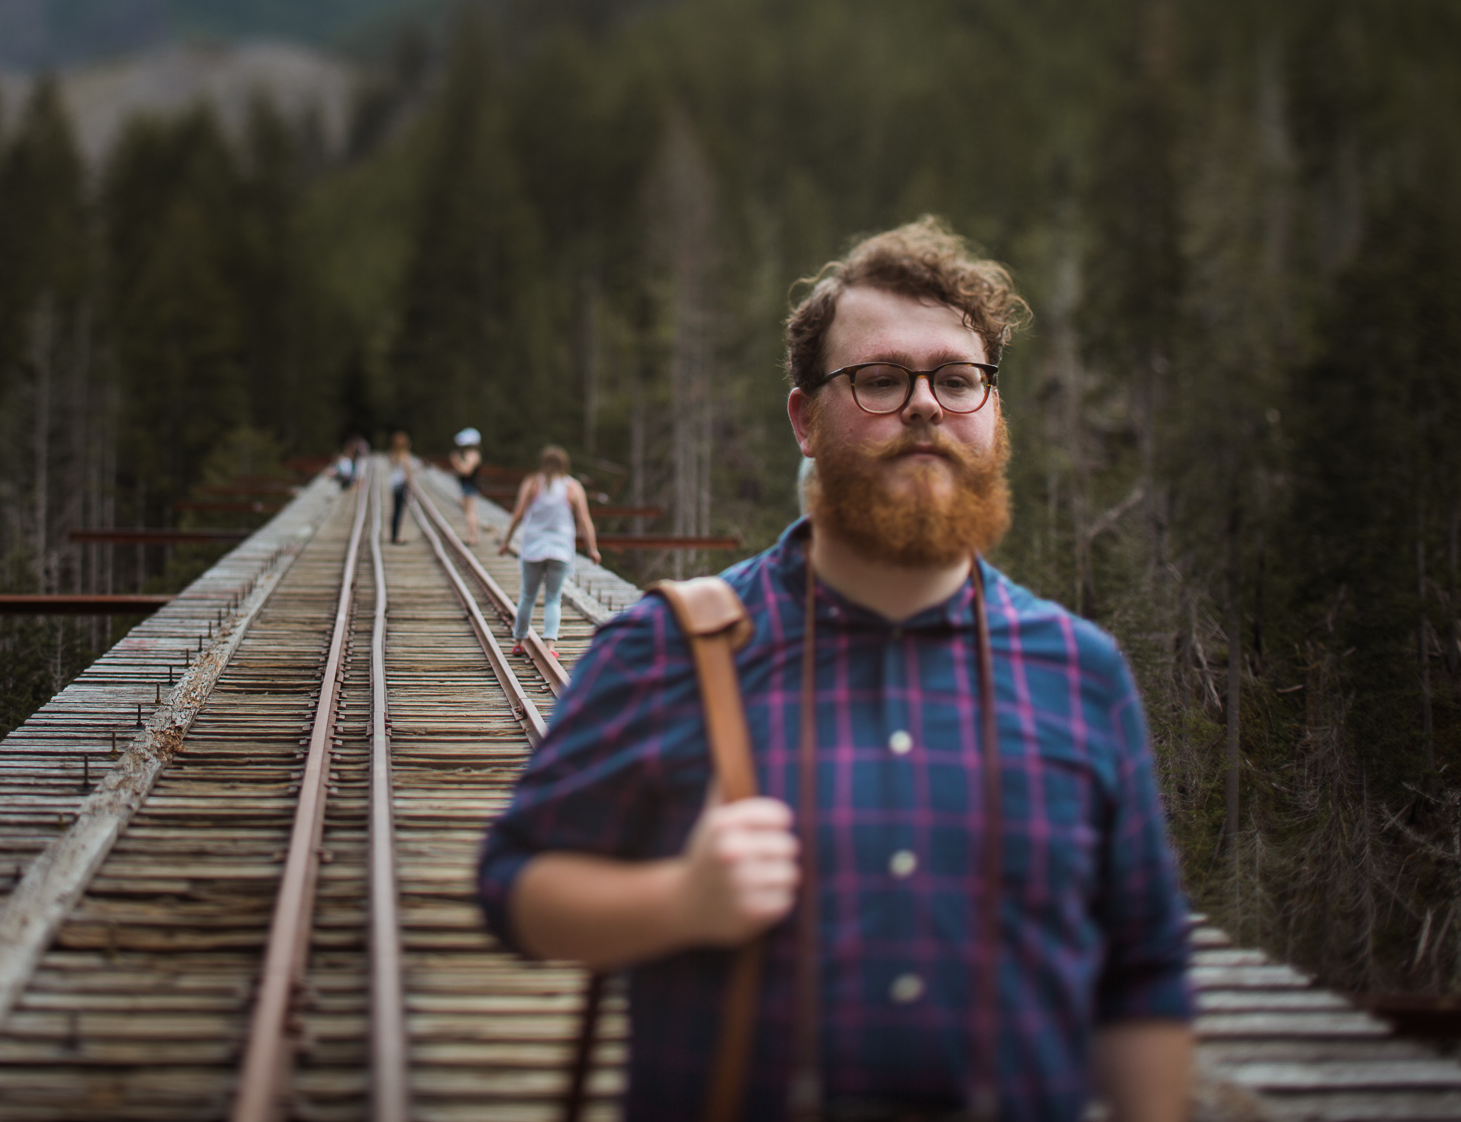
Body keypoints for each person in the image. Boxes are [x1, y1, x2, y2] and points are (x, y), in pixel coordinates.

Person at [478, 219, 1192, 1122]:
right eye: (882, 379)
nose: (926, 404)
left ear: (993, 410)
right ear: (806, 418)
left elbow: (1144, 972)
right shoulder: (666, 651)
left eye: (959, 378)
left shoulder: (1082, 674)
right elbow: (513, 887)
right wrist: (677, 900)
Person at [495, 445, 600, 663]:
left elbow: (518, 515)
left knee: (527, 596)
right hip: (560, 549)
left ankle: (518, 642)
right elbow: (584, 520)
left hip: (533, 547)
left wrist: (506, 541)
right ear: (565, 464)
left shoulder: (532, 483)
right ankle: (550, 644)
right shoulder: (573, 487)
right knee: (553, 598)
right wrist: (592, 549)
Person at [451, 427, 485, 543]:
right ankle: (471, 535)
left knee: (470, 512)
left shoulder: (473, 454)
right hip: (467, 485)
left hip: (470, 486)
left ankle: (473, 537)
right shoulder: (472, 454)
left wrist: (456, 463)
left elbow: (466, 470)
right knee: (468, 512)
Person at [387, 430, 412, 544]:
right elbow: (407, 472)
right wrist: (411, 485)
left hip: (393, 484)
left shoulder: (392, 455)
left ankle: (393, 534)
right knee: (399, 511)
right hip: (402, 484)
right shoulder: (404, 455)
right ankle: (397, 536)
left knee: (395, 510)